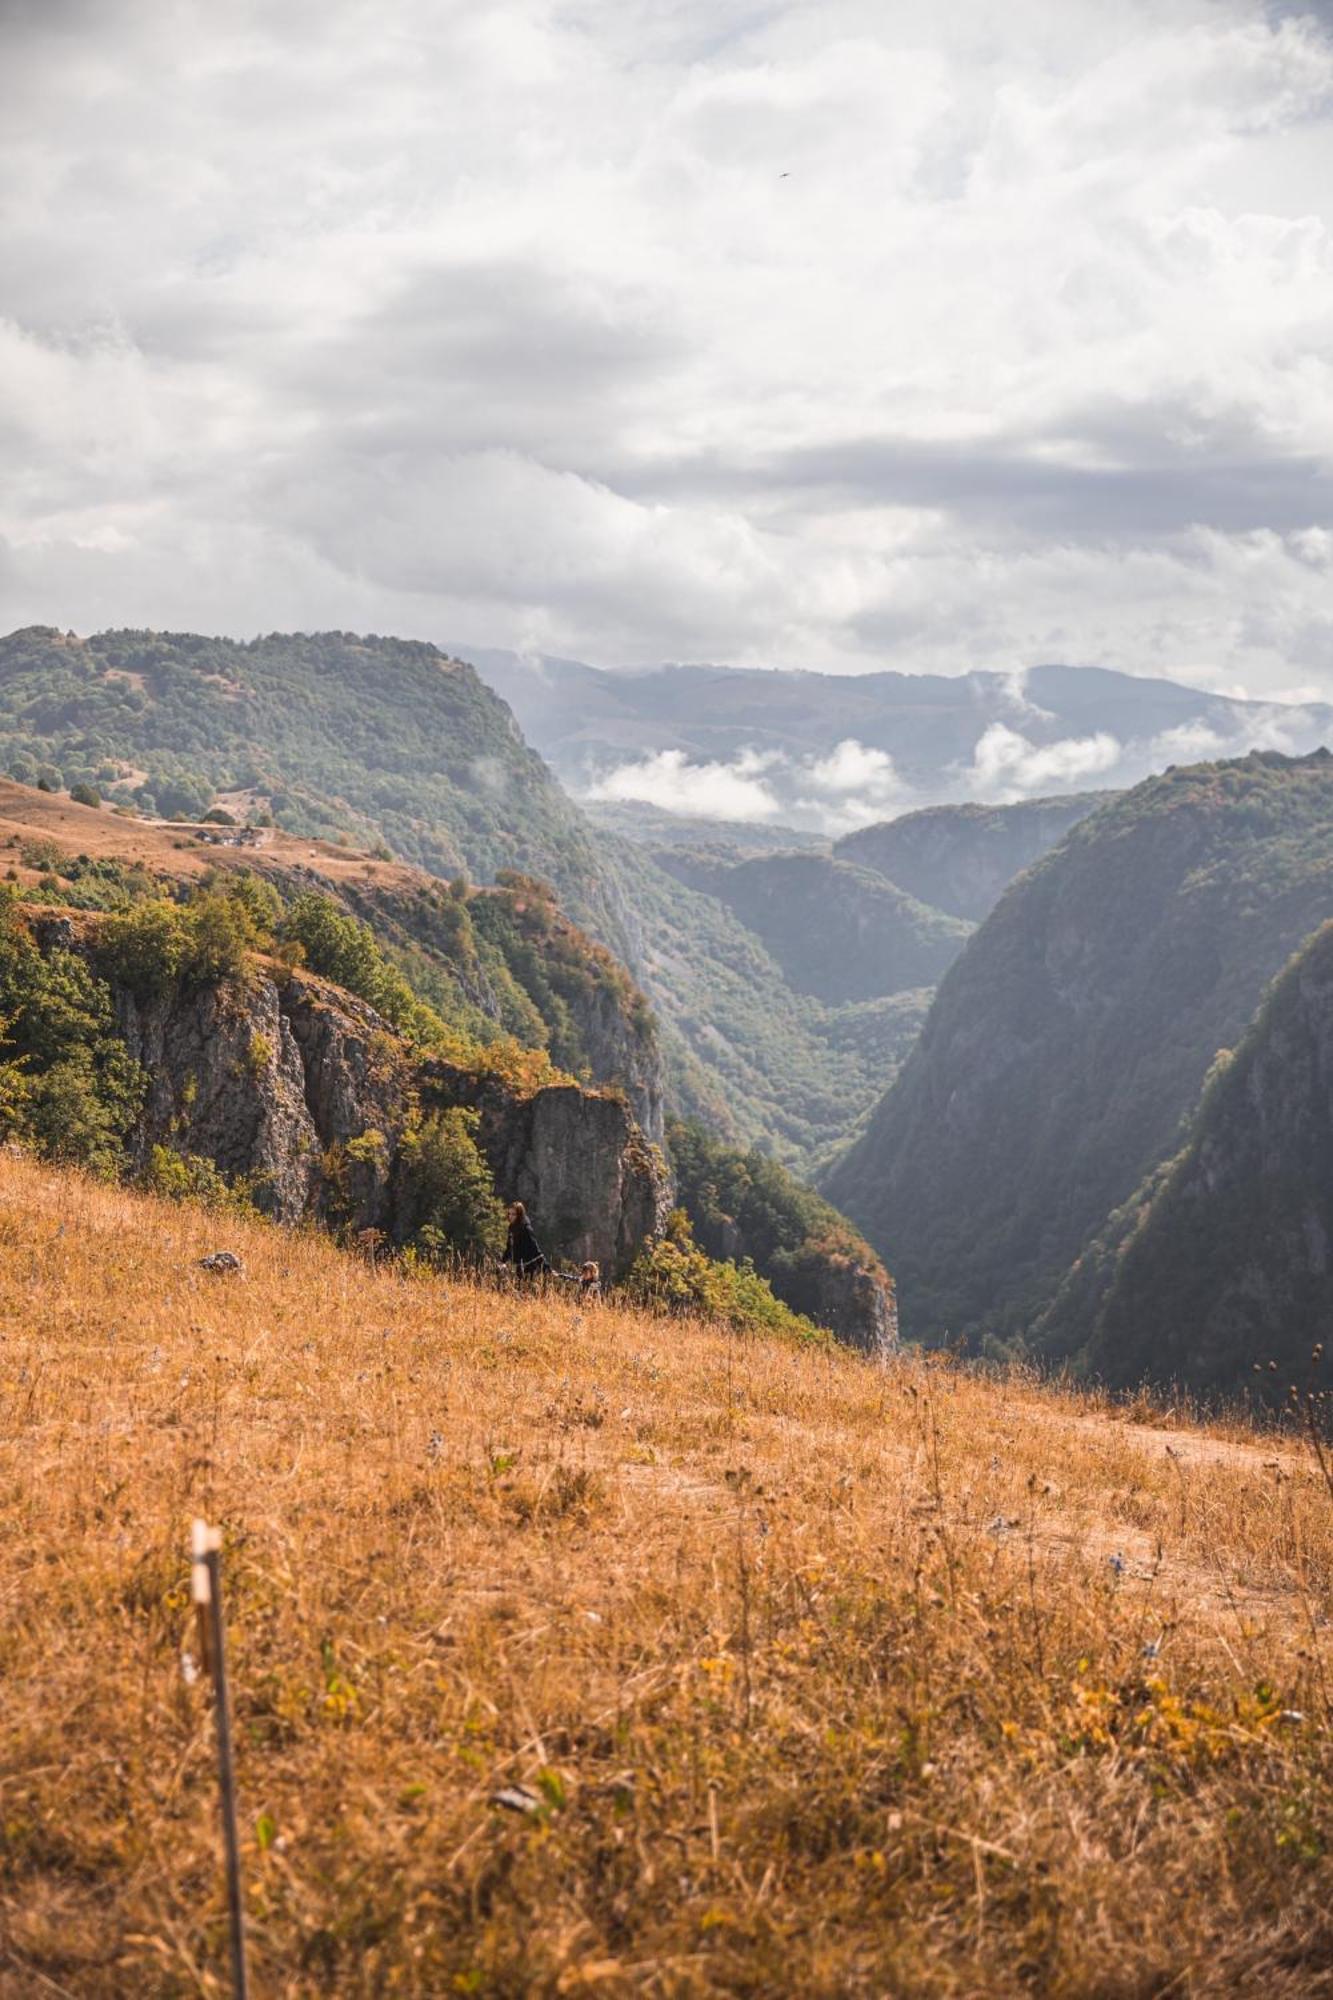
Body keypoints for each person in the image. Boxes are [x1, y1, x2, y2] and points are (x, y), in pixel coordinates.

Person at [500, 1200, 549, 1279]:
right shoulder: (512, 1228)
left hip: (529, 1267)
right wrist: (503, 1261)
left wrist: (546, 1267)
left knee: (525, 1289)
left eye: (513, 1214)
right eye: (509, 1214)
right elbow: (509, 1247)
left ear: (519, 1215)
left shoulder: (526, 1229)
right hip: (519, 1266)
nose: (510, 1216)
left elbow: (535, 1249)